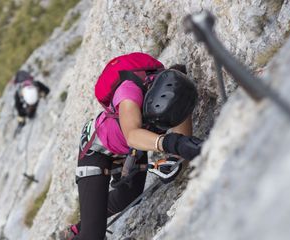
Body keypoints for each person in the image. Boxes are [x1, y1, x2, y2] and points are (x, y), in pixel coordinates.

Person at [67, 52, 203, 239]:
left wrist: (173, 159)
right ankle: (87, 228)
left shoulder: (177, 97)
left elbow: (182, 142)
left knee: (128, 198)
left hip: (131, 149)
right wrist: (171, 143)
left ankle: (87, 222)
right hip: (96, 151)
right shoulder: (128, 92)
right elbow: (132, 135)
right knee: (93, 236)